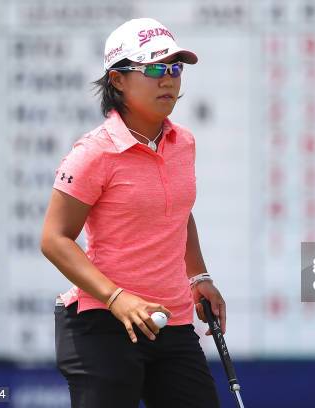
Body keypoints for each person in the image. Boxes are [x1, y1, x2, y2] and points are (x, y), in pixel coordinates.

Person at [40, 17, 224, 408]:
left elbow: (178, 213)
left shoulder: (183, 142)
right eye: (154, 68)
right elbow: (54, 239)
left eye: (174, 68)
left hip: (170, 321)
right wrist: (116, 298)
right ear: (117, 80)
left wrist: (199, 276)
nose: (168, 79)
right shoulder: (94, 152)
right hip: (101, 322)